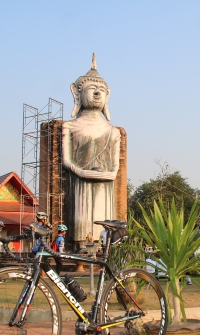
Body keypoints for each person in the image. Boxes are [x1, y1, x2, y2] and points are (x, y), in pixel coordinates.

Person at [62, 54, 121, 245]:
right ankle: (79, 245)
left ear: (107, 95)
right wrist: (81, 172)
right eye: (91, 89)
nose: (97, 93)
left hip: (105, 184)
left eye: (101, 90)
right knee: (82, 219)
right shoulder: (70, 127)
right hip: (79, 183)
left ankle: (106, 247)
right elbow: (66, 161)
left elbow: (115, 168)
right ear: (77, 93)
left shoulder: (113, 131)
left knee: (105, 221)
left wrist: (107, 174)